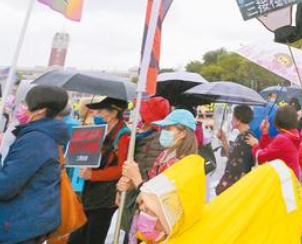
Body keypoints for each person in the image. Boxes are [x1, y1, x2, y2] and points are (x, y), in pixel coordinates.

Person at [0, 86, 70, 244]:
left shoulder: (35, 140)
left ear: (41, 110)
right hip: (25, 222)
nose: (22, 108)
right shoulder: (44, 136)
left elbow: (2, 188)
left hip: (15, 227)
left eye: (25, 104)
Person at [118, 109, 199, 243]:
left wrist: (137, 179)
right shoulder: (165, 155)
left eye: (168, 128)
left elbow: (162, 197)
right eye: (163, 128)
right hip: (146, 219)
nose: (163, 132)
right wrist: (133, 183)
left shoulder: (184, 163)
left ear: (183, 133)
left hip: (160, 227)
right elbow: (151, 183)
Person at [70, 97, 131, 244]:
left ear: (114, 112)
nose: (97, 113)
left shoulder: (124, 135)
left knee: (93, 239)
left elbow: (121, 169)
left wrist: (93, 175)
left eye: (101, 110)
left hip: (105, 197)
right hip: (88, 193)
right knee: (76, 238)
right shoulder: (101, 128)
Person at [245, 105, 301, 178]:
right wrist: (265, 133)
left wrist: (255, 145)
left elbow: (262, 157)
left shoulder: (282, 139)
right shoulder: (293, 134)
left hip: (283, 180)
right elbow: (271, 150)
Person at [215, 105, 255, 194]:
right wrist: (223, 139)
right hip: (232, 182)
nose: (231, 119)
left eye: (233, 117)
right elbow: (232, 156)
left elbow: (245, 166)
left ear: (239, 120)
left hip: (236, 187)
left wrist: (239, 191)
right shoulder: (241, 136)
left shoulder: (246, 138)